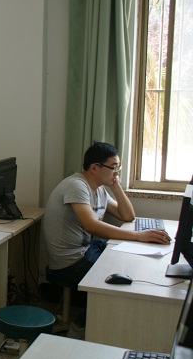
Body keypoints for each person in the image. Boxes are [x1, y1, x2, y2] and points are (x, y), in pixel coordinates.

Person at [44, 142, 171, 333]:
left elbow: (127, 216)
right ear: (94, 168)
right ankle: (80, 327)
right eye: (113, 167)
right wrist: (138, 236)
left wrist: (116, 186)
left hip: (87, 249)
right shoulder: (76, 186)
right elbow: (91, 225)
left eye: (118, 168)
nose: (116, 172)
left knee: (126, 260)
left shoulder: (99, 189)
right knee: (120, 282)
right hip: (71, 261)